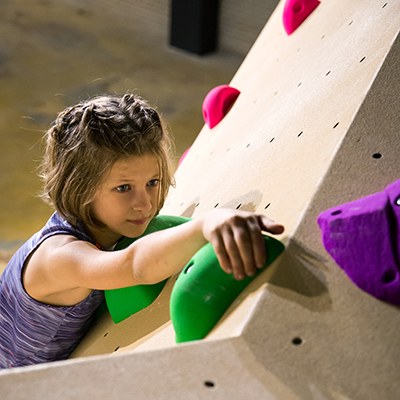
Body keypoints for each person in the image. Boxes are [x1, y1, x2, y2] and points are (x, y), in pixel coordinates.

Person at [0, 94, 284, 368]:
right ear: (80, 188)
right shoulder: (59, 257)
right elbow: (133, 265)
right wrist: (207, 225)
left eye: (153, 181)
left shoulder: (100, 223)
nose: (144, 203)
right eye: (123, 188)